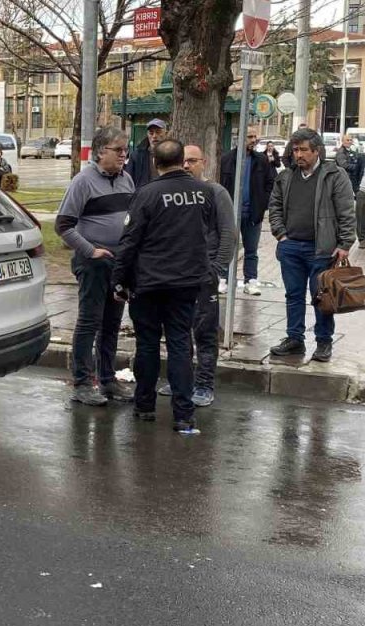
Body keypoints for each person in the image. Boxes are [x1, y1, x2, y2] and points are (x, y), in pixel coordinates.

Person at [109, 139, 214, 434]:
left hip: (150, 282)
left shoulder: (147, 193)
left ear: (155, 163)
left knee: (148, 344)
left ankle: (145, 406)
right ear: (182, 160)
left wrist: (118, 280)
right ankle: (184, 414)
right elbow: (206, 231)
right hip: (187, 281)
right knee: (180, 344)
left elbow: (130, 240)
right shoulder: (203, 193)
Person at [54, 127, 136, 407]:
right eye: (118, 150)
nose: (124, 155)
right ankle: (82, 383)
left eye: (126, 150)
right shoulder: (83, 181)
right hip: (93, 264)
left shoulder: (126, 180)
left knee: (112, 323)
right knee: (90, 322)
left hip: (119, 263)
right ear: (101, 152)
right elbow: (63, 226)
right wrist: (91, 251)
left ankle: (107, 379)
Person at [267, 128, 355, 362]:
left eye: (304, 150)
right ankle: (294, 339)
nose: (298, 154)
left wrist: (345, 243)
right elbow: (275, 206)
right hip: (291, 247)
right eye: (295, 150)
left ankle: (324, 342)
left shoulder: (334, 175)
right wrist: (281, 234)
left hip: (322, 249)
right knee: (293, 295)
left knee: (322, 297)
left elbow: (346, 211)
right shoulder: (286, 176)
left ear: (317, 151)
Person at [179, 144, 235, 407]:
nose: (187, 166)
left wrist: (217, 268)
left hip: (204, 275)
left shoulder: (216, 192)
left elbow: (228, 233)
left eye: (192, 161)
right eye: (183, 161)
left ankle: (204, 384)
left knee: (205, 332)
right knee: (179, 331)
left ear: (204, 163)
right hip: (177, 275)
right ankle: (182, 380)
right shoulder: (176, 193)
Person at [219, 126, 277, 297]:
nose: (253, 140)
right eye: (249, 136)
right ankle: (223, 279)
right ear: (240, 138)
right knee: (227, 247)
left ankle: (250, 280)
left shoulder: (261, 160)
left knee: (251, 250)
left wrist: (262, 203)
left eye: (254, 136)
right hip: (230, 213)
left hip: (253, 213)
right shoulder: (227, 159)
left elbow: (270, 183)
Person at [128, 118, 167, 188]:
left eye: (158, 132)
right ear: (147, 134)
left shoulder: (173, 154)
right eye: (151, 133)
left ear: (165, 133)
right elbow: (129, 180)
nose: (154, 136)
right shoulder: (137, 156)